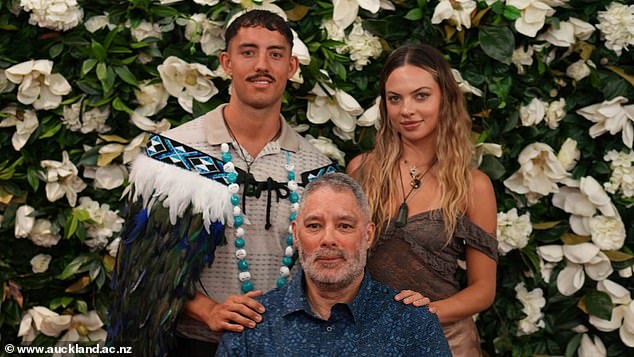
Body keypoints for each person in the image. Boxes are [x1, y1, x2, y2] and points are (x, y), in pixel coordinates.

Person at [108, 10, 337, 357]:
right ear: (227, 63)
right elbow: (141, 268)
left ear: (291, 68)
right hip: (193, 345)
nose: (262, 65)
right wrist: (208, 310)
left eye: (275, 54)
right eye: (248, 52)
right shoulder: (174, 156)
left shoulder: (319, 171)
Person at [347, 43, 498, 356]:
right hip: (369, 338)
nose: (407, 110)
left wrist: (424, 314)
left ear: (445, 98)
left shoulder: (473, 186)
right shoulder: (362, 170)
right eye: (395, 99)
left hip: (446, 340)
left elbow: (483, 290)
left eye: (421, 95)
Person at [216, 173, 451, 356]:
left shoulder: (412, 323)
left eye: (345, 226)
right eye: (314, 226)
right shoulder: (251, 326)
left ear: (368, 236)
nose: (328, 239)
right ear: (296, 235)